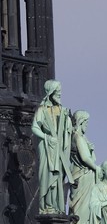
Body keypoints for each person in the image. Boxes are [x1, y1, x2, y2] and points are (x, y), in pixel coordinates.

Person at [30, 79, 72, 215]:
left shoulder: (62, 110)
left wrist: (67, 122)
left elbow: (68, 130)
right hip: (47, 147)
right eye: (57, 90)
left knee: (58, 176)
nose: (60, 93)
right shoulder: (42, 110)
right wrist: (46, 138)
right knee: (47, 175)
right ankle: (47, 205)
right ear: (51, 92)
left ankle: (56, 205)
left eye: (60, 90)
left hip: (59, 149)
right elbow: (35, 127)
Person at [68, 111, 101, 224]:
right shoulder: (78, 137)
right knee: (81, 208)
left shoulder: (77, 137)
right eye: (86, 122)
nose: (87, 125)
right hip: (83, 177)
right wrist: (97, 168)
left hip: (80, 176)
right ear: (81, 122)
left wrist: (91, 150)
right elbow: (86, 158)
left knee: (81, 208)